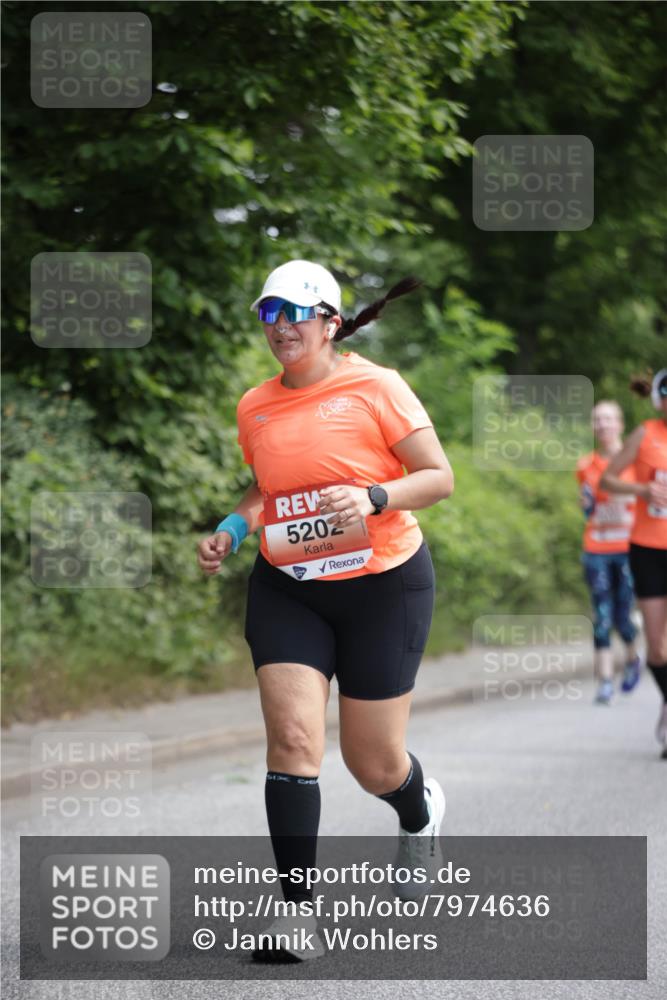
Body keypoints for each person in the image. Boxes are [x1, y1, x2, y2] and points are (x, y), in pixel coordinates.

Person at [197, 260, 454, 961]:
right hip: (289, 585)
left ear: (330, 322)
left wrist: (373, 497)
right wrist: (232, 528)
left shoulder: (377, 386)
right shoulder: (255, 405)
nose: (280, 326)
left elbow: (438, 478)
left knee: (372, 763)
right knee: (292, 741)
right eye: (269, 313)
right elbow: (266, 489)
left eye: (295, 313)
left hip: (383, 585)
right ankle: (296, 916)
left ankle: (419, 809)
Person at [600, 369, 667, 758]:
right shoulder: (645, 434)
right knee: (657, 648)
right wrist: (641, 488)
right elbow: (607, 480)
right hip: (648, 548)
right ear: (659, 400)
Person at [575, 401, 640, 705]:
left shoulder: (637, 464)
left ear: (620, 424)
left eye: (608, 419)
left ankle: (633, 658)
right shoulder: (585, 465)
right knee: (601, 616)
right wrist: (587, 505)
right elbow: (588, 508)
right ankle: (604, 681)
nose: (602, 425)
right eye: (597, 420)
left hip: (629, 550)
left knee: (622, 617)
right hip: (597, 549)